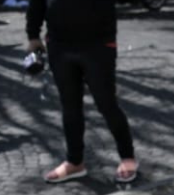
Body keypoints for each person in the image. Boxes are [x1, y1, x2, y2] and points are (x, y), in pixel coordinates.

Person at [26, 0, 138, 184]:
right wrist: (33, 36)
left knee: (106, 103)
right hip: (60, 45)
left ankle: (127, 158)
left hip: (98, 45)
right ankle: (74, 162)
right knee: (70, 106)